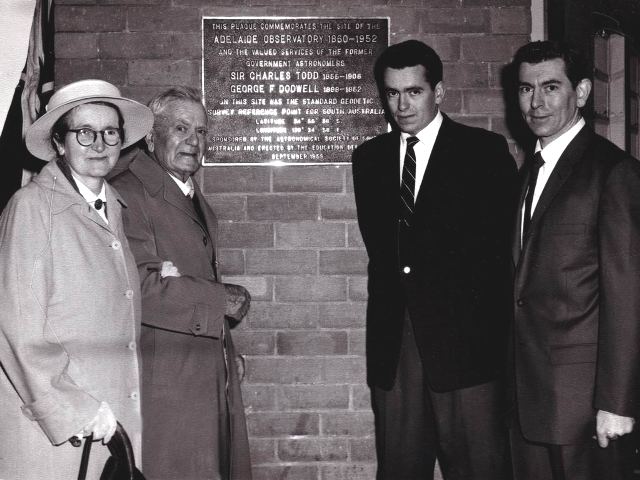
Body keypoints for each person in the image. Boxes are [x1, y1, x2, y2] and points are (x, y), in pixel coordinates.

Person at [351, 39, 518, 479]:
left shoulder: (482, 151)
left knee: (479, 467)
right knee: (400, 468)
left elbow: (501, 255)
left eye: (414, 91)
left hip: (466, 347)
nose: (402, 104)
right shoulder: (368, 159)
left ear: (438, 92)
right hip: (396, 346)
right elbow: (382, 251)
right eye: (392, 93)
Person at [0, 79, 153, 478]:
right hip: (60, 432)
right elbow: (17, 329)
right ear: (58, 143)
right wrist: (77, 410)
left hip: (107, 424)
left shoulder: (111, 209)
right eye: (84, 132)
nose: (99, 144)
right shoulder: (33, 208)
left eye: (109, 132)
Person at [508, 40, 640, 480]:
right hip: (528, 398)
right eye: (526, 89)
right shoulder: (530, 169)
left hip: (584, 407)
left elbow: (627, 296)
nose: (537, 102)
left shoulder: (613, 172)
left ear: (581, 92)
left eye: (550, 87)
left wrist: (616, 403)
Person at [109, 86, 252, 480]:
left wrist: (226, 350)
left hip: (201, 371)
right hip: (165, 379)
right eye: (181, 128)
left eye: (202, 131)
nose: (193, 140)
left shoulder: (185, 191)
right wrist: (222, 300)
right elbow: (138, 285)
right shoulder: (127, 191)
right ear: (151, 137)